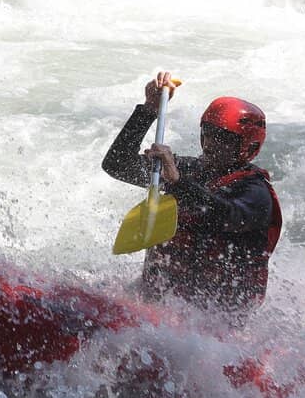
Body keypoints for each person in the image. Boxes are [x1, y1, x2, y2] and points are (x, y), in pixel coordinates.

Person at [102, 72, 282, 318]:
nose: (210, 144)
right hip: (157, 304)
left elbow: (224, 215)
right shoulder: (190, 170)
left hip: (216, 322)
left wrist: (177, 182)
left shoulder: (256, 193)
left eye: (224, 138)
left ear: (248, 146)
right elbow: (116, 165)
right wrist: (148, 110)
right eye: (208, 132)